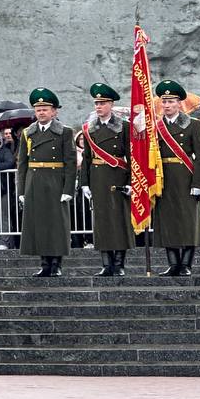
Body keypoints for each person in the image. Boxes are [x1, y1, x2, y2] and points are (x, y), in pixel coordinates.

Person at [146, 80, 200, 275]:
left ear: (179, 103)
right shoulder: (155, 126)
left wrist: (199, 184)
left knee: (188, 222)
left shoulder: (193, 125)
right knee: (167, 222)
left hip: (186, 177)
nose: (167, 105)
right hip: (163, 179)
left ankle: (186, 265)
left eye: (171, 101)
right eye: (164, 102)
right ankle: (173, 264)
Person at [16, 89, 76, 277]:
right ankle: (44, 263)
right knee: (39, 224)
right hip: (34, 181)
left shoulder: (64, 132)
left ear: (54, 112)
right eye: (38, 109)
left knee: (56, 224)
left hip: (55, 180)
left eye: (45, 109)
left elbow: (70, 162)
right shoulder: (28, 133)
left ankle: (56, 264)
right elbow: (22, 164)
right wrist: (21, 190)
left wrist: (68, 189)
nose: (41, 112)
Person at [79, 83, 134, 276]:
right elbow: (86, 158)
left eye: (102, 103)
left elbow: (131, 156)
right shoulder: (89, 129)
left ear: (111, 104)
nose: (98, 107)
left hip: (118, 177)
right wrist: (84, 183)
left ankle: (118, 264)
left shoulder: (124, 126)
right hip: (97, 177)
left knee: (118, 221)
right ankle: (105, 264)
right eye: (96, 103)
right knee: (101, 222)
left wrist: (131, 183)